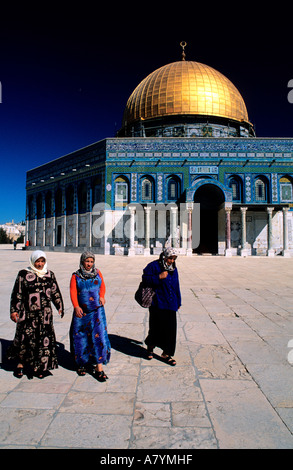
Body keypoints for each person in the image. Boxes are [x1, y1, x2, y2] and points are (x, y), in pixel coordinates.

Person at [8, 250, 64, 378]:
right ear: (33, 261)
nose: (39, 264)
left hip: (45, 315)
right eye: (37, 261)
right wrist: (14, 310)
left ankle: (40, 367)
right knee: (25, 339)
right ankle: (20, 365)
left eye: (42, 261)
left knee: (43, 340)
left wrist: (59, 306)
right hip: (27, 314)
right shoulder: (23, 274)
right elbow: (17, 293)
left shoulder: (49, 274)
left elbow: (55, 291)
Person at [70, 251, 111, 381]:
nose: (89, 264)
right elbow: (73, 291)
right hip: (82, 312)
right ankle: (82, 363)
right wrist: (76, 306)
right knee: (81, 337)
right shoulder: (76, 276)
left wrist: (102, 296)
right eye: (87, 261)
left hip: (97, 311)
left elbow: (102, 286)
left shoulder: (97, 272)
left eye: (91, 261)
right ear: (82, 261)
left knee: (99, 337)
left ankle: (99, 367)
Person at [142, 247, 181, 366]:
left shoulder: (174, 269)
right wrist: (158, 277)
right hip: (157, 303)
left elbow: (176, 285)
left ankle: (167, 353)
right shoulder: (153, 266)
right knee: (155, 327)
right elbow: (145, 279)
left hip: (170, 303)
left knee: (170, 329)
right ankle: (150, 346)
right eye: (170, 258)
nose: (172, 261)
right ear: (164, 256)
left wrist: (178, 301)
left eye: (174, 259)